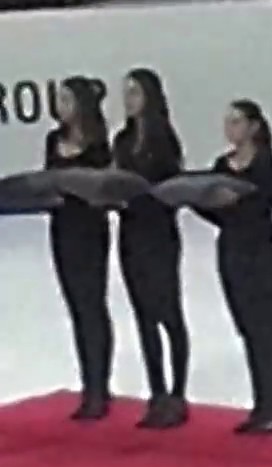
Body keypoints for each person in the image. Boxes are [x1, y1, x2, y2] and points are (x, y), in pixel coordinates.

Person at [197, 100, 272, 435]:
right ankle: (260, 403)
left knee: (267, 326)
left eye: (236, 121)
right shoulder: (222, 165)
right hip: (231, 250)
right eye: (227, 122)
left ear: (253, 126)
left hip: (260, 250)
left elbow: (263, 205)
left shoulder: (266, 164)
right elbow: (210, 208)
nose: (230, 128)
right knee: (247, 327)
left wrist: (234, 203)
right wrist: (213, 205)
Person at [112, 69, 191, 429]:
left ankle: (177, 393)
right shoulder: (122, 140)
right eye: (125, 93)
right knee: (144, 315)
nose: (128, 100)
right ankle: (156, 391)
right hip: (130, 232)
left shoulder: (164, 141)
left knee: (169, 312)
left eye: (134, 93)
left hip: (159, 234)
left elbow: (172, 188)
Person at [44, 76, 112, 421]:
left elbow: (105, 190)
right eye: (59, 100)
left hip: (90, 231)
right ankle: (89, 384)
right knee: (77, 308)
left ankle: (100, 387)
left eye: (67, 100)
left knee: (92, 305)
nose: (61, 107)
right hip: (62, 229)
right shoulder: (53, 140)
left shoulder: (99, 145)